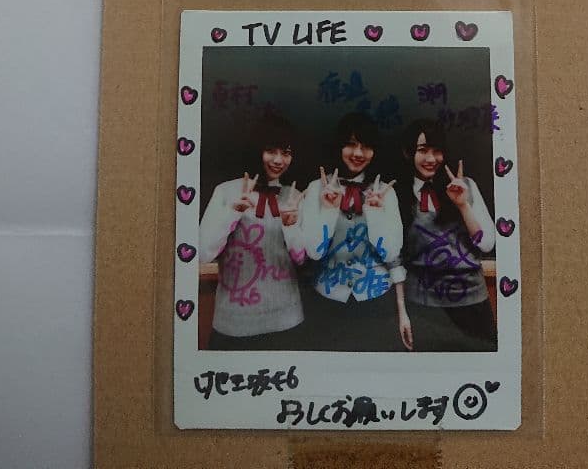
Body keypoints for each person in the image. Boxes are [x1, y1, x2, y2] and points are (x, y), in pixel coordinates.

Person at [299, 111, 405, 351]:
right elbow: (314, 252)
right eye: (351, 144)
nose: (358, 153)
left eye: (366, 146)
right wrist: (328, 210)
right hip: (327, 301)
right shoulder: (316, 187)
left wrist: (375, 214)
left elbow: (390, 254)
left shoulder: (385, 192)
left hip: (377, 300)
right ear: (339, 146)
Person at [198, 114, 306, 349]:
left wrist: (290, 226)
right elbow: (203, 254)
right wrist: (233, 212)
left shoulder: (294, 197)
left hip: (286, 320)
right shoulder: (227, 191)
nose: (278, 160)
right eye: (271, 150)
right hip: (234, 322)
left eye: (286, 152)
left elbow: (300, 259)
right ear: (256, 149)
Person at [394, 118, 497, 352]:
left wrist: (463, 205)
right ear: (408, 152)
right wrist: (402, 311)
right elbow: (394, 256)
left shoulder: (466, 185)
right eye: (423, 150)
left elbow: (487, 244)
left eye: (437, 151)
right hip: (423, 306)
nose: (431, 159)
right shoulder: (398, 194)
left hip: (472, 301)